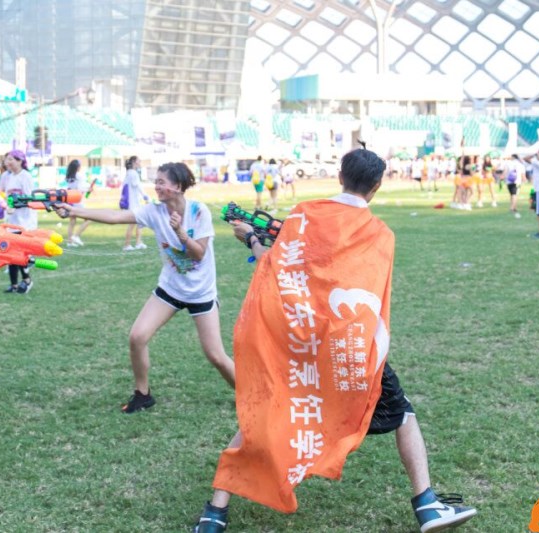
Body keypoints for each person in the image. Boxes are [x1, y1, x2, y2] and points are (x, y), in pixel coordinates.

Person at [193, 147, 476, 533]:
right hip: (349, 348)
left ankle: (215, 513)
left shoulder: (304, 214)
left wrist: (252, 240)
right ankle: (427, 504)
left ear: (340, 175)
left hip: (298, 343)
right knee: (403, 415)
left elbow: (277, 268)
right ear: (376, 187)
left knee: (263, 413)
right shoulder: (380, 234)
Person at [56, 162, 235, 413]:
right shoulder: (154, 211)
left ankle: (248, 395)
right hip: (170, 289)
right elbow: (116, 217)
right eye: (157, 181)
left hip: (201, 293)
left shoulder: (198, 211)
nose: (157, 186)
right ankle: (143, 394)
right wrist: (74, 211)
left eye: (162, 182)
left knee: (216, 356)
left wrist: (181, 232)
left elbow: (198, 254)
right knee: (137, 337)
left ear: (178, 186)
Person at [0, 149, 38, 293]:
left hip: (24, 221)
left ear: (20, 160)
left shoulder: (25, 176)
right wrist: (2, 204)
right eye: (7, 159)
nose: (8, 162)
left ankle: (27, 280)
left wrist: (15, 204)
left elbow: (30, 198)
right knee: (9, 252)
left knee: (19, 253)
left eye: (11, 159)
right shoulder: (6, 176)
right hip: (11, 221)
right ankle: (14, 285)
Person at [121, 155, 148, 251]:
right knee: (133, 223)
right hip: (134, 203)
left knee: (139, 222)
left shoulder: (129, 173)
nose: (140, 162)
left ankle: (138, 242)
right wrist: (145, 196)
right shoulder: (133, 173)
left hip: (134, 202)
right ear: (134, 162)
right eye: (139, 161)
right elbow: (138, 186)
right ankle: (127, 245)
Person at [64, 159, 90, 247]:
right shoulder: (79, 176)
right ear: (78, 167)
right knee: (88, 219)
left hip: (70, 200)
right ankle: (76, 236)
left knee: (72, 221)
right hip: (78, 201)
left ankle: (70, 242)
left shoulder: (69, 177)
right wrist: (88, 189)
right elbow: (81, 188)